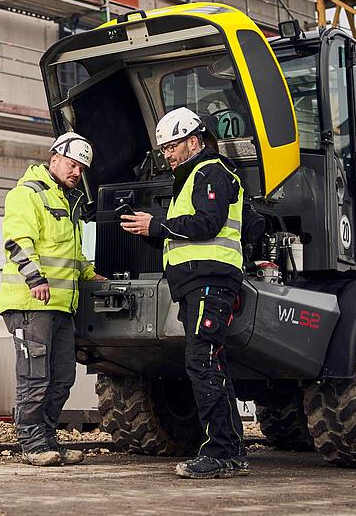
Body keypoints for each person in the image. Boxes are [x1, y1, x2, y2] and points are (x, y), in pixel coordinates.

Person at [120, 107, 248, 479]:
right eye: (164, 149)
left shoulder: (210, 172)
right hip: (199, 282)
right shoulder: (194, 176)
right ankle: (231, 451)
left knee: (202, 361)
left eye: (172, 146)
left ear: (193, 141)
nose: (168, 155)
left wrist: (157, 225)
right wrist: (152, 230)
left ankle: (220, 453)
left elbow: (207, 224)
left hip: (211, 280)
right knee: (211, 362)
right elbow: (189, 231)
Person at [0, 132, 107, 467]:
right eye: (72, 164)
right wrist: (35, 279)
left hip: (60, 305)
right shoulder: (28, 194)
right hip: (31, 304)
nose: (77, 172)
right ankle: (32, 444)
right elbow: (17, 242)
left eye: (81, 168)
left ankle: (47, 439)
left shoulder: (67, 201)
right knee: (34, 378)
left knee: (62, 378)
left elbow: (69, 253)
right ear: (54, 159)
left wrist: (90, 274)